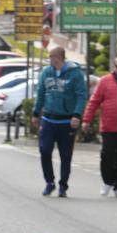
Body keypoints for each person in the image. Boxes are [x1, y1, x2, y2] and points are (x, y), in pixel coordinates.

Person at [32, 47, 87, 197]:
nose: (50, 59)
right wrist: (36, 112)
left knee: (66, 155)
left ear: (60, 57)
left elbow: (81, 95)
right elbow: (41, 93)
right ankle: (49, 182)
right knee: (44, 151)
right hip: (49, 119)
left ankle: (63, 185)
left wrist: (76, 115)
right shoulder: (46, 72)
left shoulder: (75, 74)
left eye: (52, 56)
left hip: (66, 121)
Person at [82, 55, 117, 197]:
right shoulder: (105, 81)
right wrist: (86, 120)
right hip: (108, 127)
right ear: (114, 66)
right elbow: (94, 102)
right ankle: (107, 182)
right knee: (107, 155)